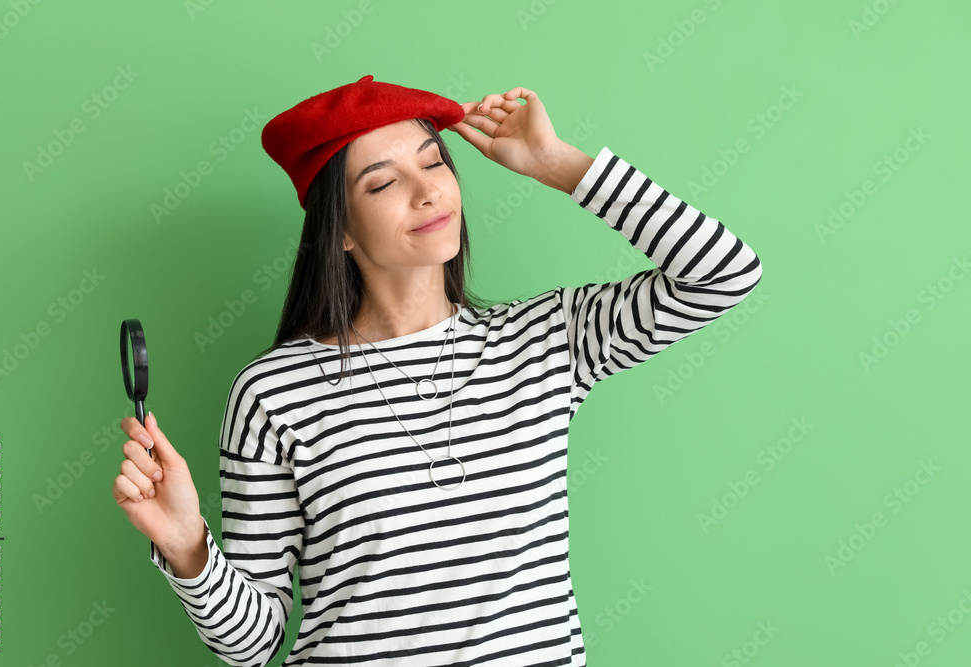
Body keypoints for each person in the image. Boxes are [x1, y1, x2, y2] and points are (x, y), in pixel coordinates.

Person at [111, 75, 762, 667]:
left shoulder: (545, 341)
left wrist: (558, 165)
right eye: (384, 182)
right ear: (340, 230)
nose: (428, 192)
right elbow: (252, 646)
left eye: (434, 164)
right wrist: (189, 547)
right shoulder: (272, 393)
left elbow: (724, 273)